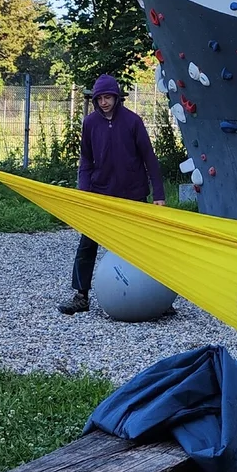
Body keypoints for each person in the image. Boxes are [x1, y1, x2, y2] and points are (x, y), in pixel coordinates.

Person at [60, 74, 165, 314]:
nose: (104, 102)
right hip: (100, 195)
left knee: (143, 246)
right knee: (87, 245)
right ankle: (81, 295)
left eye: (108, 97)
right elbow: (86, 160)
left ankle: (158, 297)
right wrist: (84, 193)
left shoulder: (133, 121)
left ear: (116, 97)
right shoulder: (90, 123)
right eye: (100, 98)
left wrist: (158, 194)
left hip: (133, 194)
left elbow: (149, 158)